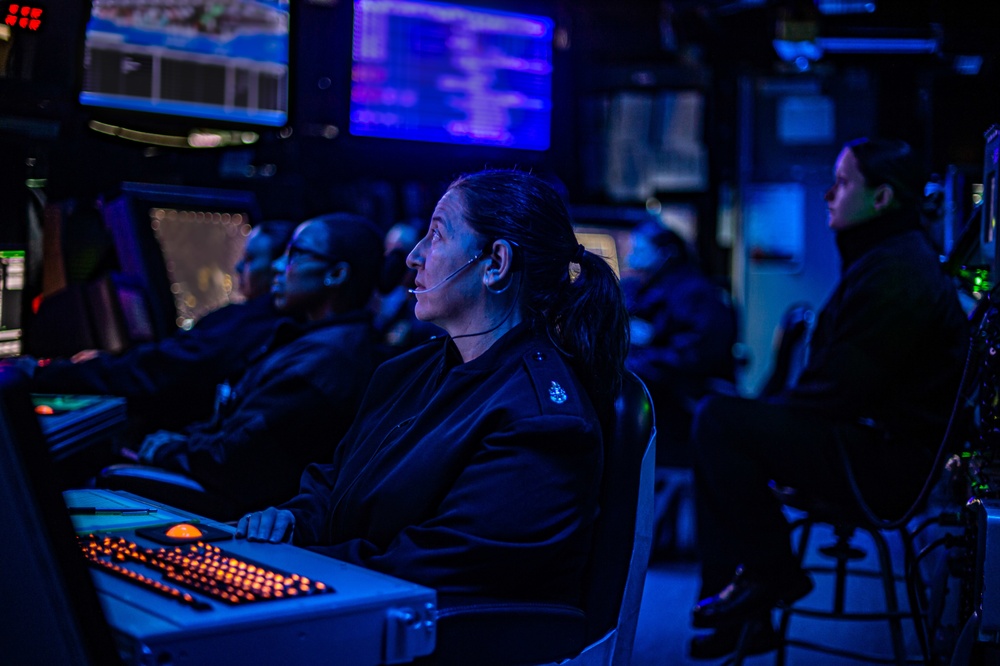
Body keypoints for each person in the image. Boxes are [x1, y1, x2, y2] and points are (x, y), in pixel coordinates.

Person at [235, 169, 630, 664]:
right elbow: (334, 483)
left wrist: (276, 565)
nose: (413, 256)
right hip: (340, 608)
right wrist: (290, 522)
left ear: (496, 264)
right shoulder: (408, 371)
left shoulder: (543, 423)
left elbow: (425, 573)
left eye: (436, 234)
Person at [686, 138, 969, 659]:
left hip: (883, 469)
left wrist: (761, 421)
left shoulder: (897, 273)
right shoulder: (889, 258)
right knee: (722, 419)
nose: (829, 194)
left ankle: (771, 576)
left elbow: (835, 392)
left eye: (842, 183)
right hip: (872, 447)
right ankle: (748, 602)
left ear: (881, 199)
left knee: (718, 420)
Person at [131, 213, 383, 515]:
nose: (277, 266)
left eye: (295, 254)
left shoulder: (324, 362)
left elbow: (234, 462)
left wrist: (171, 449)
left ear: (337, 274)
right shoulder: (321, 342)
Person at [25, 220, 297, 433]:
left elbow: (162, 368)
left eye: (250, 259)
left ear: (280, 269)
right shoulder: (284, 325)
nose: (238, 267)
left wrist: (46, 374)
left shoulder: (247, 325)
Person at [623, 222, 737, 466]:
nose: (631, 255)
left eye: (640, 249)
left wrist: (645, 351)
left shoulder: (693, 291)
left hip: (683, 392)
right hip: (669, 381)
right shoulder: (644, 287)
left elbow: (697, 353)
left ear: (665, 253)